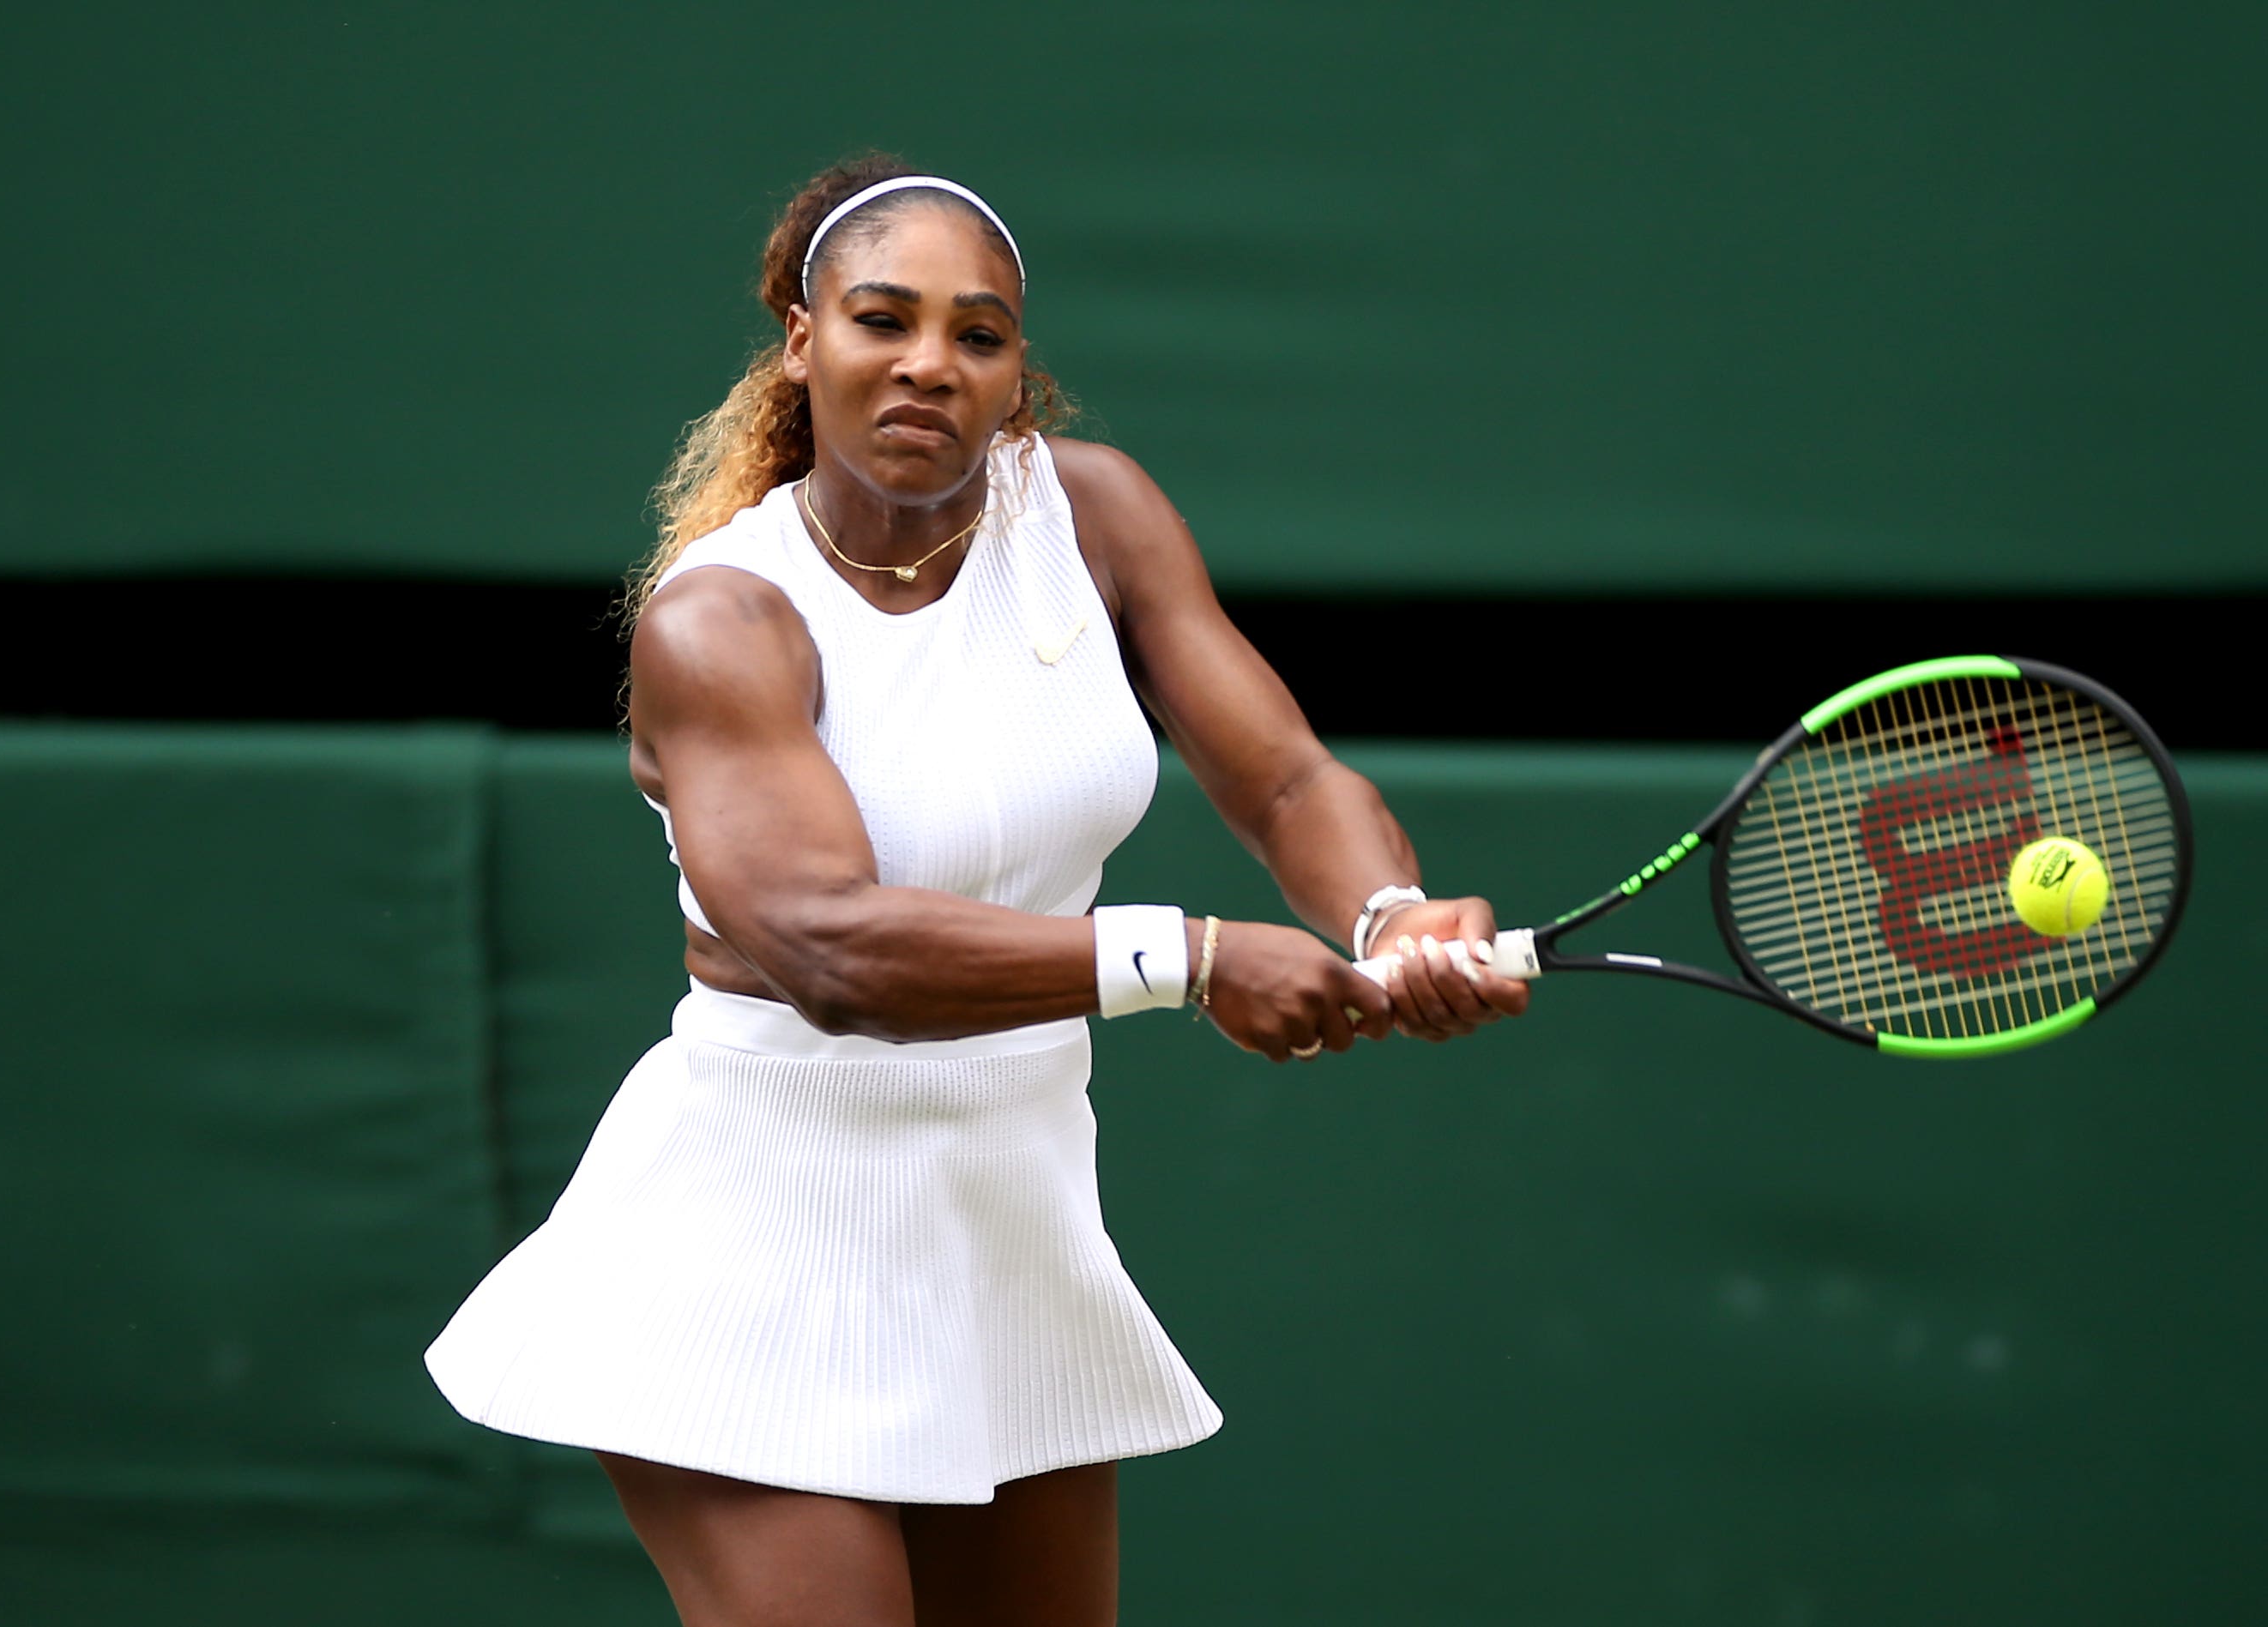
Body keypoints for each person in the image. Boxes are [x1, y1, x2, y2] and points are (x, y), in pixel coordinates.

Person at [424, 155, 1529, 1627]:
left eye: (979, 333)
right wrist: (1193, 955)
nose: (930, 363)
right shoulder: (724, 617)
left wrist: (1391, 912)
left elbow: (1281, 779)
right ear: (801, 339)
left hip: (1007, 1228)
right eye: (883, 319)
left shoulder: (1097, 516)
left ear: (1017, 370)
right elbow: (829, 946)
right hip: (751, 1246)